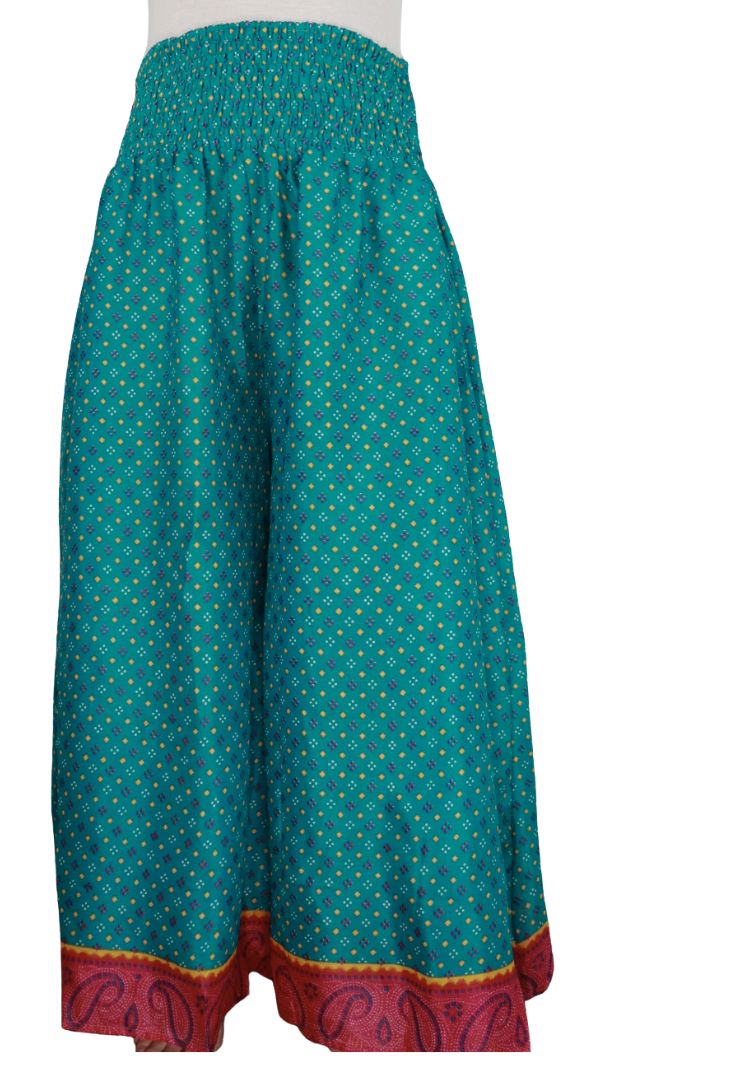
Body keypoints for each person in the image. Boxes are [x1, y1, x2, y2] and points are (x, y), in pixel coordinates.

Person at [51, 1, 555, 1052]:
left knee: (387, 627)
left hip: (363, 205)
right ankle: (170, 970)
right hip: (165, 212)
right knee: (156, 613)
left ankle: (403, 983)